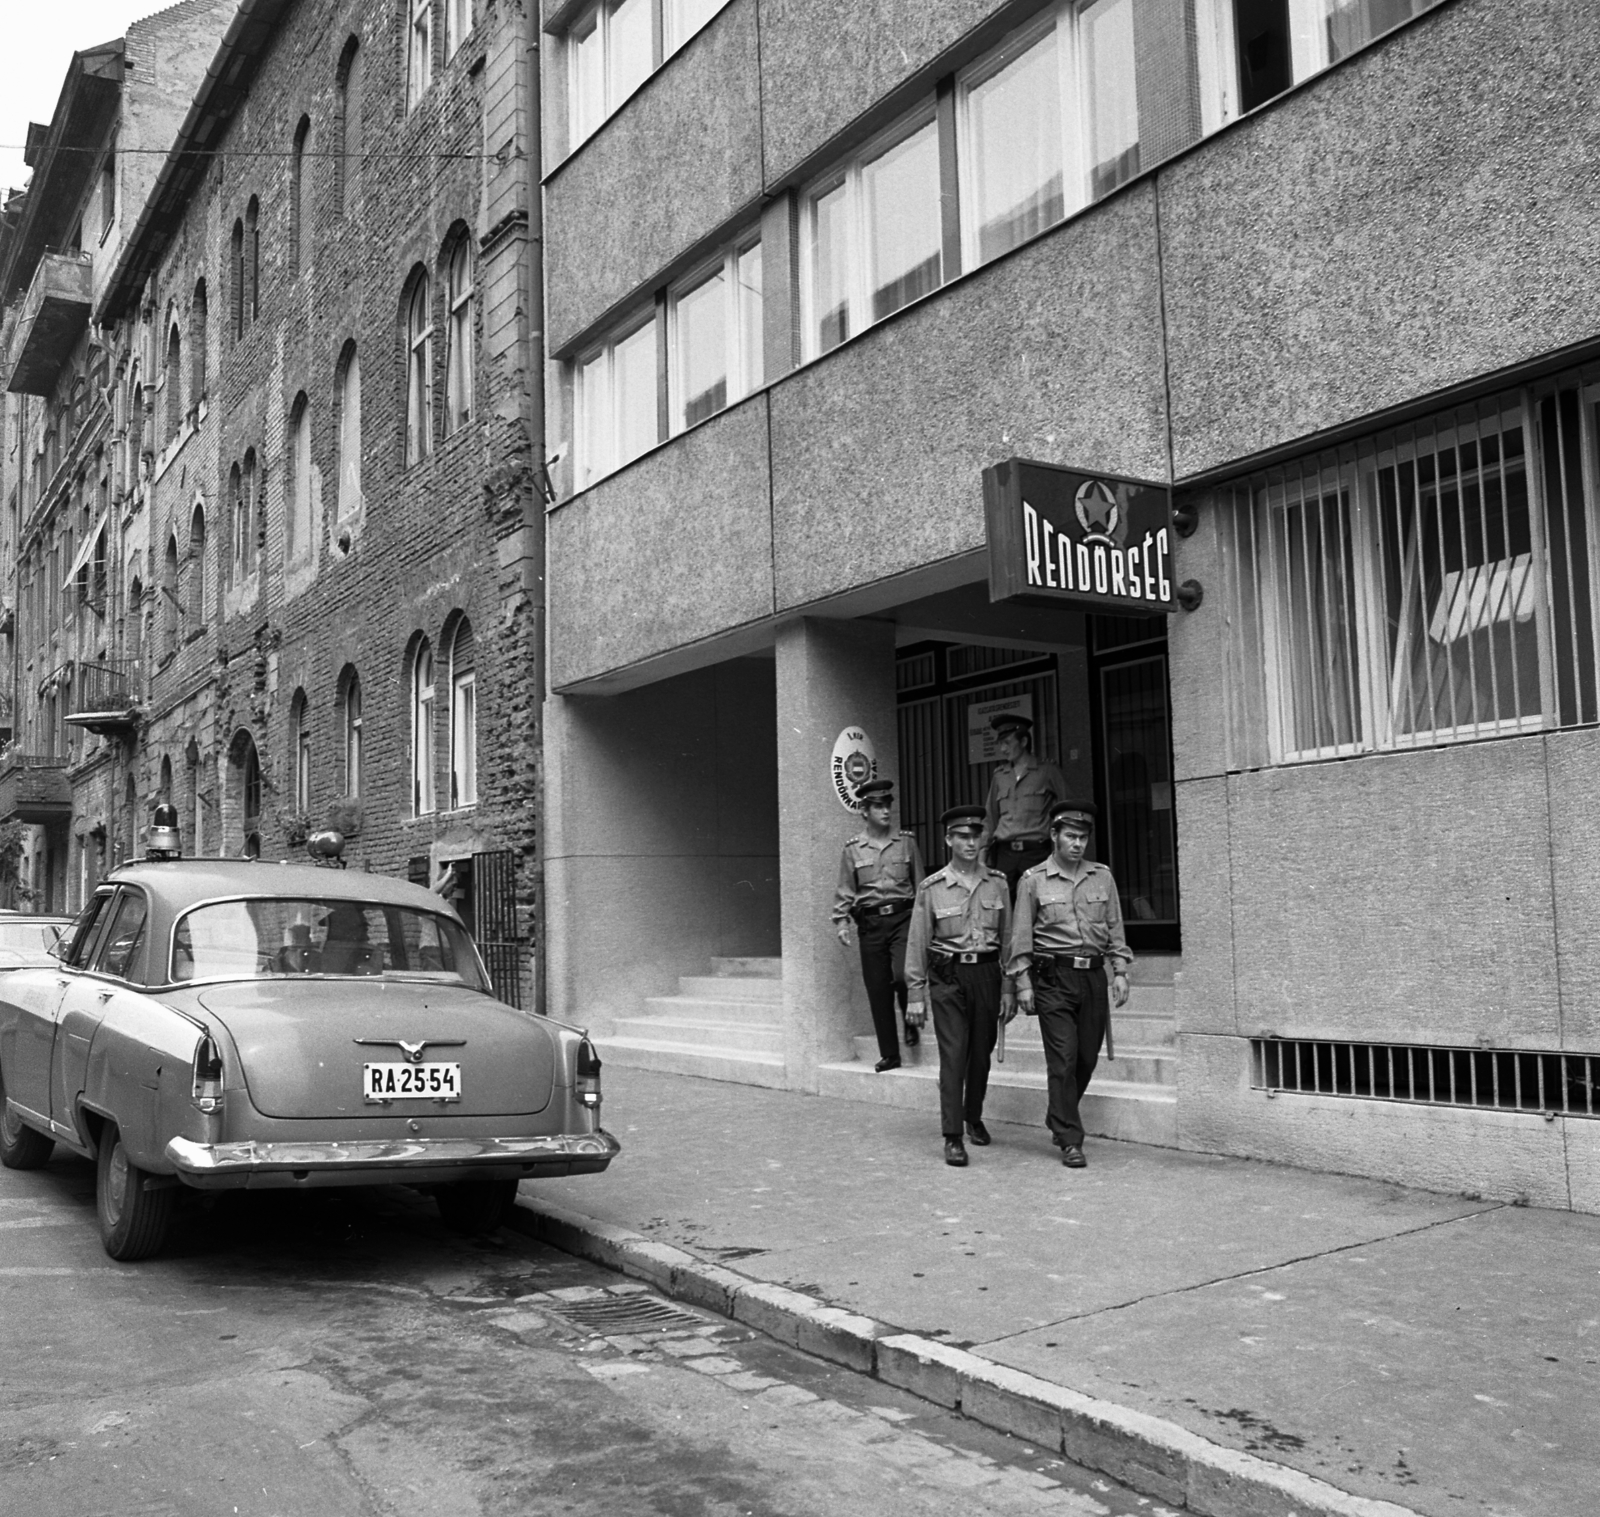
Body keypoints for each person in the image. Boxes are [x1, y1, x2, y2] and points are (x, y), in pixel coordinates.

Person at [1007, 801, 1132, 1169]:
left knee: (1086, 1058)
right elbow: (1020, 935)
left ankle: (1057, 1113)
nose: (1077, 844)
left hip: (1093, 976)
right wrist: (1023, 982)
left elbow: (1114, 927)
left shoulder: (1102, 877)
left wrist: (1120, 970)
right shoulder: (1032, 880)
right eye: (1070, 836)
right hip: (1053, 978)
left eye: (1083, 837)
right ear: (1054, 836)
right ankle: (1069, 1138)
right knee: (1062, 1058)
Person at [904, 804, 1016, 1167]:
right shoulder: (932, 888)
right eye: (962, 837)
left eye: (976, 836)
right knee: (954, 1055)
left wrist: (1010, 988)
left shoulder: (997, 883)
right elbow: (917, 942)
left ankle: (973, 1116)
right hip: (948, 977)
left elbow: (1009, 940)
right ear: (948, 839)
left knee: (980, 1054)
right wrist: (915, 994)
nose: (970, 843)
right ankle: (952, 1135)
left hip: (986, 975)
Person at [832, 779, 925, 1071]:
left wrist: (925, 923)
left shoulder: (906, 842)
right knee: (877, 988)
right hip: (870, 924)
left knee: (901, 975)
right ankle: (890, 1054)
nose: (886, 811)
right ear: (865, 811)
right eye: (878, 806)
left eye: (888, 805)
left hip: (903, 919)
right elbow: (846, 888)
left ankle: (911, 1020)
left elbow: (921, 886)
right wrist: (841, 921)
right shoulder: (852, 849)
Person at [980, 714, 1068, 900]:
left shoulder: (1047, 771)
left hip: (1036, 853)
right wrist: (982, 855)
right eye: (1000, 744)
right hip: (1005, 855)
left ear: (1024, 741)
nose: (1003, 749)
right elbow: (990, 817)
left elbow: (1067, 809)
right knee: (1003, 910)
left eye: (1007, 743)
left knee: (1038, 908)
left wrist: (1063, 850)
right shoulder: (999, 776)